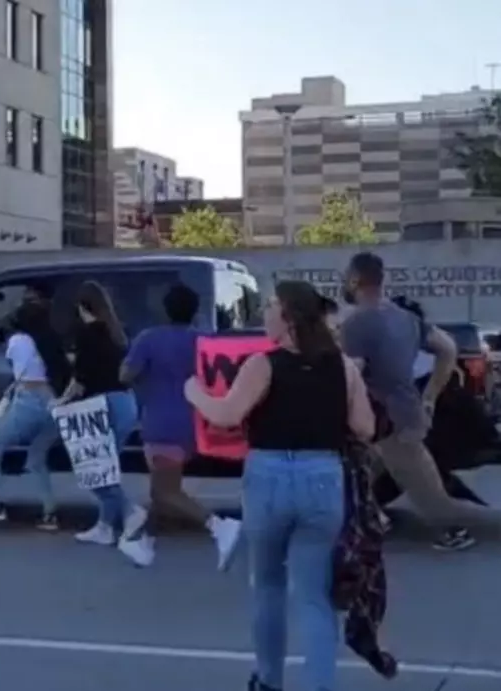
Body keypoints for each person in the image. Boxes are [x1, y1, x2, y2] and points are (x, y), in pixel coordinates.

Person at [185, 280, 375, 691]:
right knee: (313, 595)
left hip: (269, 477)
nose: (264, 312)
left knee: (268, 585)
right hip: (323, 478)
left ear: (287, 316)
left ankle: (269, 680)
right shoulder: (342, 366)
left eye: (270, 304)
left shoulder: (263, 364)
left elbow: (226, 414)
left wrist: (194, 392)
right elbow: (365, 427)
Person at [340, 251, 501, 532]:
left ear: (354, 280)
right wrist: (429, 398)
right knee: (356, 477)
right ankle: (368, 519)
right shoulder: (405, 318)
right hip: (402, 418)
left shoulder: (357, 323)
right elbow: (448, 348)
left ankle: (455, 532)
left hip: (389, 424)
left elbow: (350, 373)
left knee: (438, 508)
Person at [119, 282, 242, 571]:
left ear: (165, 309)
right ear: (194, 311)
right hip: (193, 422)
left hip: (160, 423)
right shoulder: (203, 341)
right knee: (161, 489)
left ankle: (218, 526)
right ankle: (146, 544)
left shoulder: (149, 338)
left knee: (165, 492)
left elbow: (125, 374)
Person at [368, 295, 494, 551]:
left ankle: (451, 528)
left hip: (439, 431)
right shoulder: (415, 350)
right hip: (438, 425)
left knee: (401, 459)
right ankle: (371, 512)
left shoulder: (412, 357)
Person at [50, 281, 152, 565]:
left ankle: (130, 511)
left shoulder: (87, 334)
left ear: (83, 307)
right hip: (125, 403)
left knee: (94, 467)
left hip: (102, 406)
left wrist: (60, 401)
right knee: (105, 465)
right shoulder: (116, 333)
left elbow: (81, 379)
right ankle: (105, 527)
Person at [0, 301, 72, 528]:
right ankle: (50, 514)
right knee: (37, 458)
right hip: (53, 403)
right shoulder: (51, 341)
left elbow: (17, 370)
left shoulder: (18, 341)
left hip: (27, 401)